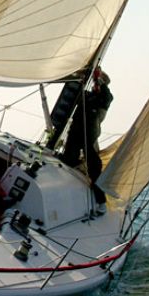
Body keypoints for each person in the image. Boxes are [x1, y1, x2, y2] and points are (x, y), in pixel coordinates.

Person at [60, 67, 113, 215]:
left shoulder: (104, 98)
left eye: (99, 83)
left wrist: (98, 80)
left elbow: (106, 96)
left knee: (95, 167)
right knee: (68, 160)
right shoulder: (87, 96)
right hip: (75, 135)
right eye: (95, 83)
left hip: (88, 137)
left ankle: (101, 202)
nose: (96, 85)